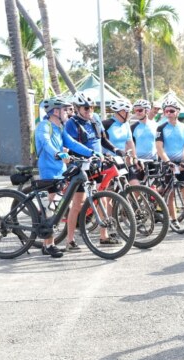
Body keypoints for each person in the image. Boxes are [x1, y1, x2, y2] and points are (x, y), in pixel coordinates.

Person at [34, 97, 96, 258]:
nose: (68, 112)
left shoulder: (60, 128)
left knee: (58, 207)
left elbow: (73, 143)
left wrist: (92, 153)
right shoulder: (44, 126)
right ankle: (49, 245)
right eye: (65, 109)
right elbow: (46, 144)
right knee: (53, 208)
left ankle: (48, 244)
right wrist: (58, 153)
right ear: (55, 111)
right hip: (49, 171)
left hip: (61, 171)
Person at [64, 92, 122, 253]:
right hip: (82, 167)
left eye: (91, 107)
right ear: (77, 108)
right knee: (78, 204)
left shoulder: (95, 119)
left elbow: (103, 140)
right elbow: (69, 145)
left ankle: (103, 237)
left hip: (97, 165)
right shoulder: (71, 123)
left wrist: (116, 150)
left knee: (103, 200)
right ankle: (70, 240)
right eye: (86, 108)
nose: (89, 110)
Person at [156, 99, 184, 232]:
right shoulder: (161, 128)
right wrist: (167, 161)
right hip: (167, 162)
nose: (168, 113)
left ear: (177, 112)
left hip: (181, 163)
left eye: (171, 111)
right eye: (166, 111)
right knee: (170, 193)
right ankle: (173, 220)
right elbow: (159, 148)